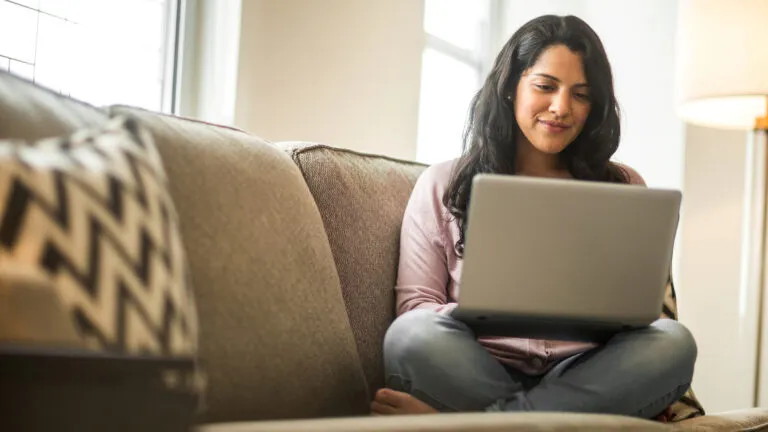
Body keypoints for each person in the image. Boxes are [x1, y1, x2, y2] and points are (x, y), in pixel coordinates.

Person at [371, 15, 697, 419]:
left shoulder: (624, 185)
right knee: (409, 336)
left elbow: (642, 316)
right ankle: (544, 421)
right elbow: (416, 306)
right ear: (511, 88)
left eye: (581, 94)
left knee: (673, 343)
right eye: (545, 86)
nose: (561, 108)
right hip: (477, 366)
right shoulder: (443, 183)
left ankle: (480, 426)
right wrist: (480, 310)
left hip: (587, 373)